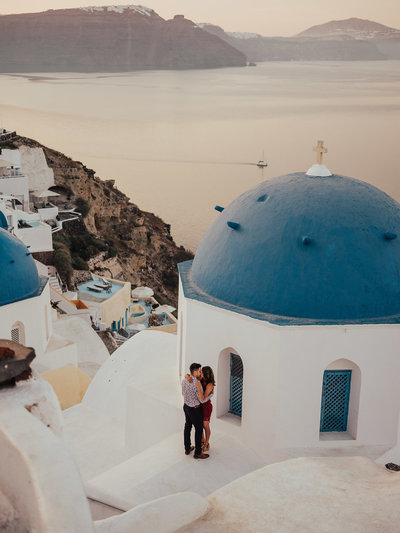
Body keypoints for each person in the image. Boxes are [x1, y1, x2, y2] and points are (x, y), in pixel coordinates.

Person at [181, 363, 209, 459]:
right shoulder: (197, 384)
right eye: (200, 371)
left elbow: (182, 393)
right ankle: (198, 453)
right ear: (196, 371)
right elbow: (202, 400)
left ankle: (187, 448)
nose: (201, 373)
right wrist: (210, 395)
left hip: (186, 406)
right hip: (195, 409)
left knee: (187, 427)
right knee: (199, 429)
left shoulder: (184, 380)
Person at [197, 366, 215, 452]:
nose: (200, 374)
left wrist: (199, 387)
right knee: (200, 424)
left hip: (206, 406)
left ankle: (207, 443)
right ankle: (202, 441)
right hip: (200, 406)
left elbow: (203, 398)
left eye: (202, 372)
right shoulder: (201, 380)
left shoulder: (210, 384)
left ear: (205, 373)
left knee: (205, 425)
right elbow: (191, 376)